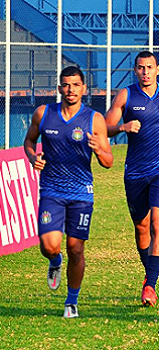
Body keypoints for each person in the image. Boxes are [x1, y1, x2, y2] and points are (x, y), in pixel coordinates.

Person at [24, 66, 114, 318]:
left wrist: (99, 149)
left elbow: (109, 161)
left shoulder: (94, 119)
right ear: (59, 87)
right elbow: (29, 141)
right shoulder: (44, 113)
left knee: (76, 248)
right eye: (66, 84)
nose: (70, 89)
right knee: (49, 246)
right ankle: (55, 262)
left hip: (82, 194)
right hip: (51, 190)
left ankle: (71, 302)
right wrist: (33, 158)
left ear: (84, 88)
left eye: (75, 85)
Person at [106, 51, 159, 307]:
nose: (145, 72)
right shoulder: (126, 95)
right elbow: (105, 128)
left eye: (149, 67)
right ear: (135, 70)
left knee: (157, 224)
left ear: (158, 69)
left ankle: (150, 286)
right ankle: (149, 275)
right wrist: (123, 127)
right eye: (141, 68)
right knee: (141, 228)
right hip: (135, 172)